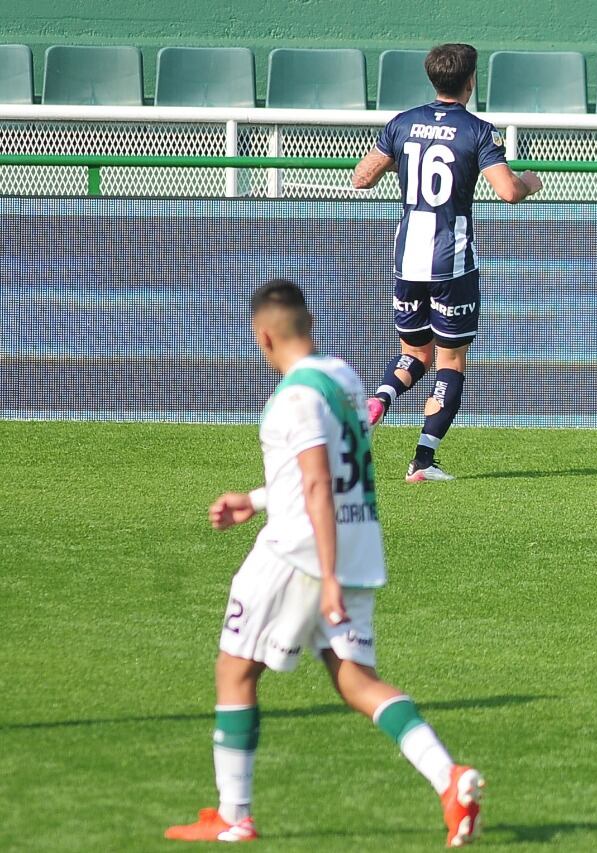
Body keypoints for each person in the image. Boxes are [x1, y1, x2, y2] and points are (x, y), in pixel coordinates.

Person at [165, 279, 484, 848]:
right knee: (355, 679)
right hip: (356, 542)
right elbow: (324, 471)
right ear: (308, 326)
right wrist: (255, 500)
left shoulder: (293, 397)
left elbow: (316, 483)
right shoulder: (341, 374)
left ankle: (234, 816)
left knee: (234, 668)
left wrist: (327, 577)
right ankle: (450, 779)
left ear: (263, 336)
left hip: (301, 550)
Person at [354, 43, 542, 482]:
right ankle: (422, 461)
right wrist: (529, 182)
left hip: (406, 260)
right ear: (471, 80)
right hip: (450, 261)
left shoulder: (402, 123)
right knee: (450, 361)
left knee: (413, 352)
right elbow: (508, 191)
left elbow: (361, 177)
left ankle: (379, 399)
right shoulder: (477, 130)